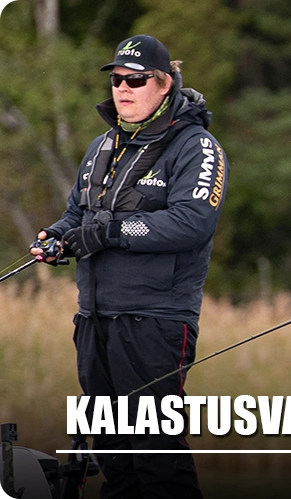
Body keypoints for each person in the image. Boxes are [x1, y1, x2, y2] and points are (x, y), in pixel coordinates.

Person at [30, 34, 229, 498]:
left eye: (135, 80)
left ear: (164, 83)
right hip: (94, 319)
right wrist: (57, 236)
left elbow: (192, 222)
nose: (123, 88)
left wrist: (110, 232)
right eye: (117, 79)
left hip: (155, 320)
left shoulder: (198, 146)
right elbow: (77, 214)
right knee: (113, 458)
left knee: (157, 456)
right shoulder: (103, 145)